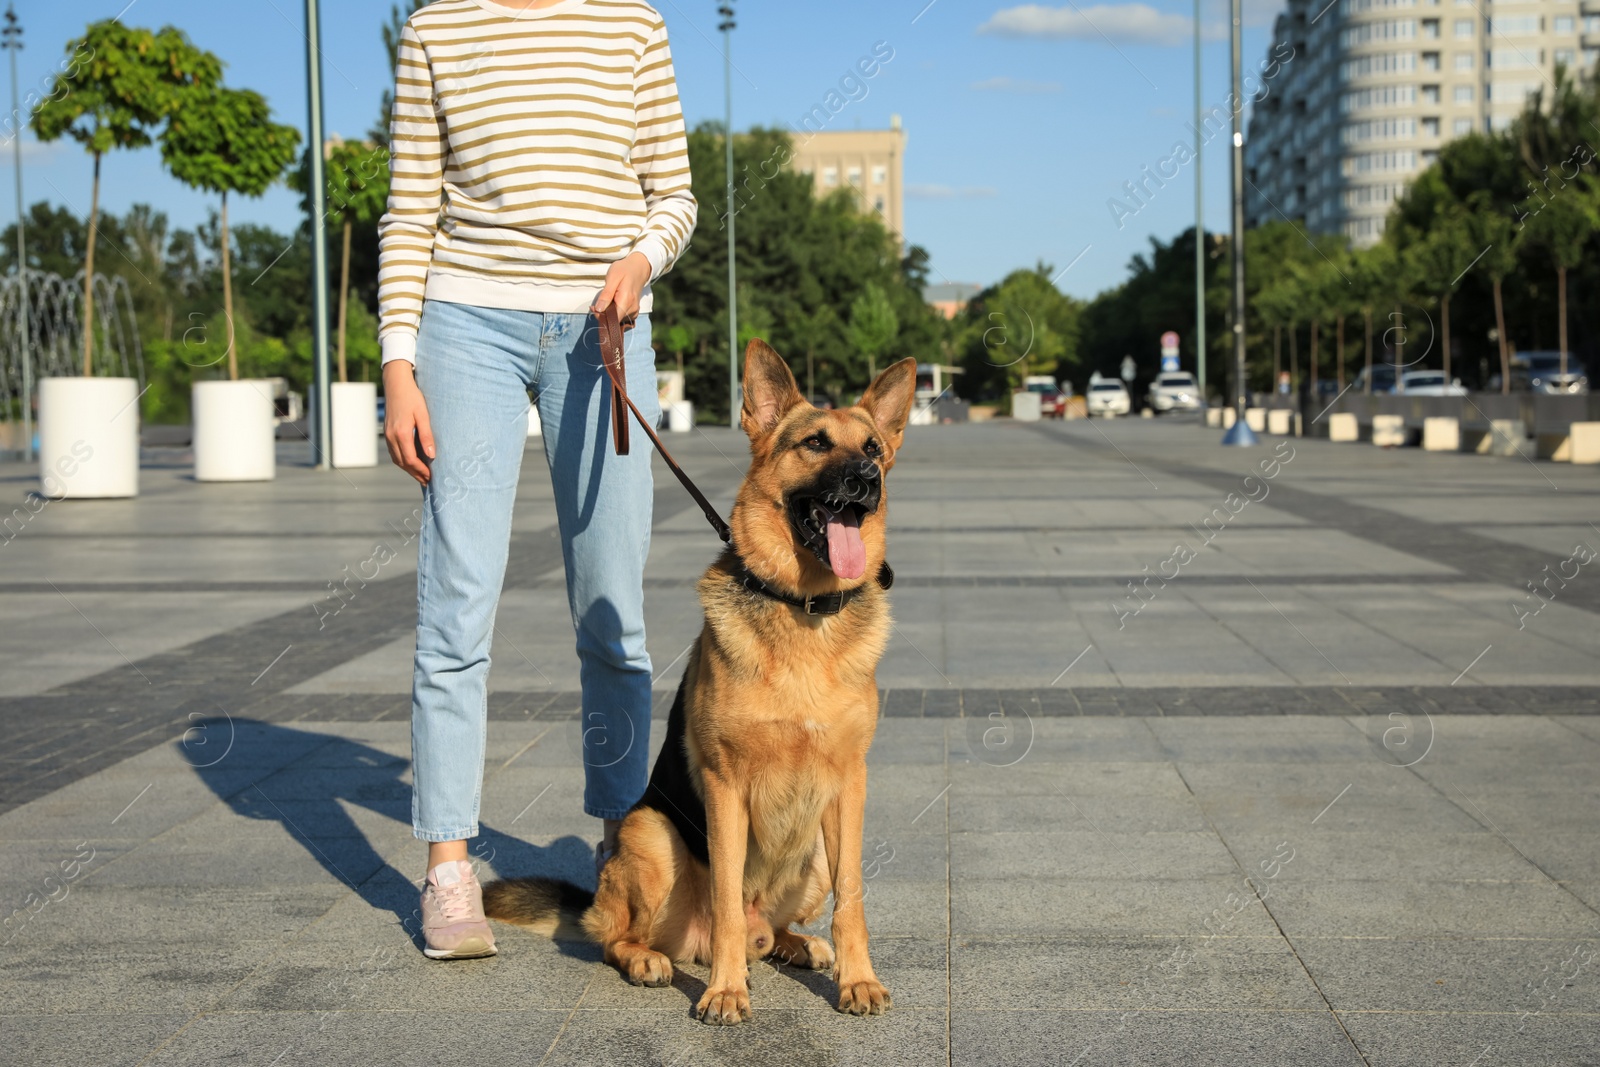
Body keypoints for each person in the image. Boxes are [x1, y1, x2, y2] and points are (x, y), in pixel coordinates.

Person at [376, 0, 696, 959]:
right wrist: (398, 363)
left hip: (602, 326)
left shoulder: (632, 22)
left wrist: (641, 259)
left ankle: (619, 843)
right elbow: (409, 210)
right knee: (455, 604)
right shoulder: (436, 25)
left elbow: (673, 194)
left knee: (612, 612)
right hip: (464, 321)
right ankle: (447, 867)